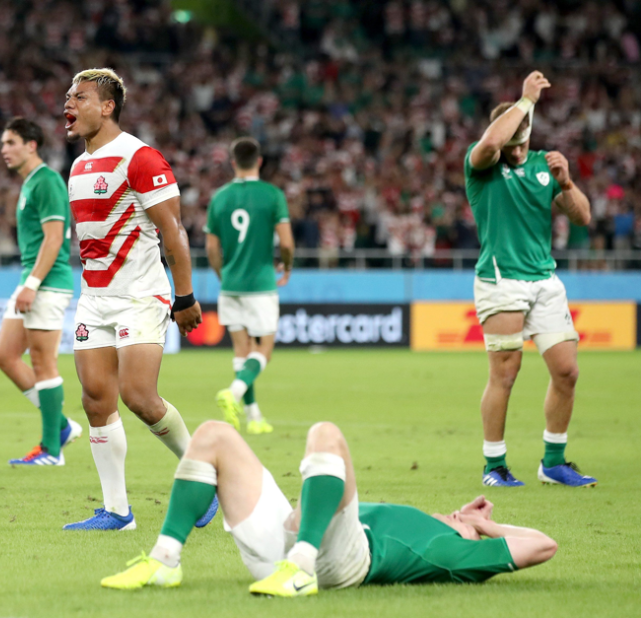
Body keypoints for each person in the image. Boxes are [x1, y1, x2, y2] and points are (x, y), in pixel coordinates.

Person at [101, 420, 558, 596]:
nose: (461, 513)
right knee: (213, 434)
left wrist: (485, 526)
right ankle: (164, 559)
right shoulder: (427, 526)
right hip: (284, 548)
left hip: (337, 565)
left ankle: (300, 568)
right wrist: (467, 518)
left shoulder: (459, 555)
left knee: (327, 434)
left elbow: (543, 546)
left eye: (467, 521)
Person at [61, 68, 211, 530]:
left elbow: (174, 230)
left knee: (139, 397)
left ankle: (204, 476)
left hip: (140, 295)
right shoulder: (78, 165)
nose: (68, 105)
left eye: (79, 97)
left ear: (107, 107)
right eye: (67, 96)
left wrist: (184, 295)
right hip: (95, 299)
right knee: (95, 400)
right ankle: (117, 511)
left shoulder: (140, 157)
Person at [465, 71, 596, 488]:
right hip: (501, 280)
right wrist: (526, 99)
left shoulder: (544, 165)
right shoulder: (483, 164)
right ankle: (494, 466)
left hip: (544, 281)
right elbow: (489, 143)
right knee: (505, 373)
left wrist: (568, 183)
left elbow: (583, 217)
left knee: (567, 371)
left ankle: (553, 462)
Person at [0, 117, 82, 466]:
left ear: (31, 145)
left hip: (46, 283)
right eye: (3, 144)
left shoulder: (46, 182)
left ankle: (51, 450)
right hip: (31, 280)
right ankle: (59, 426)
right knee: (5, 355)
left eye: (10, 143)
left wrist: (32, 284)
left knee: (44, 363)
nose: (4, 150)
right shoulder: (31, 183)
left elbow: (55, 238)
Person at [205, 137, 294, 434]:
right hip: (261, 284)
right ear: (259, 162)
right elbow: (287, 242)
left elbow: (211, 248)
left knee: (242, 350)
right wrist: (287, 264)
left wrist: (223, 274)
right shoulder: (272, 195)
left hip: (230, 284)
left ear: (233, 163)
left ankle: (254, 418)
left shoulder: (219, 197)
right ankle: (234, 392)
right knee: (263, 350)